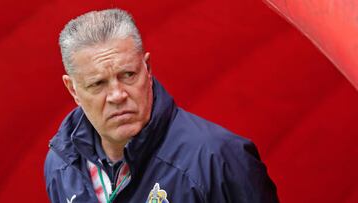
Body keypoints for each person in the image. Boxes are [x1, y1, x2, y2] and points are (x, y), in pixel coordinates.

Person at [44, 8, 279, 203]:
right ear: (73, 89)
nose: (117, 95)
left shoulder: (218, 158)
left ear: (147, 68)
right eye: (98, 84)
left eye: (128, 75)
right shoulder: (62, 166)